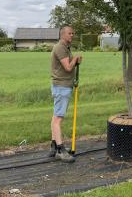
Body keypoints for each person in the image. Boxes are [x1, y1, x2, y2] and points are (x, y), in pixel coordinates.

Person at [49, 26, 82, 162]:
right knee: (58, 118)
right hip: (62, 87)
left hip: (62, 86)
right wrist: (75, 60)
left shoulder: (65, 47)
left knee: (56, 116)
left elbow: (68, 66)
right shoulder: (60, 48)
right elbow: (68, 67)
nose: (72, 35)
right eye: (70, 33)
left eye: (73, 33)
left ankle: (54, 146)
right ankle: (60, 150)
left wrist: (74, 60)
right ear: (63, 34)